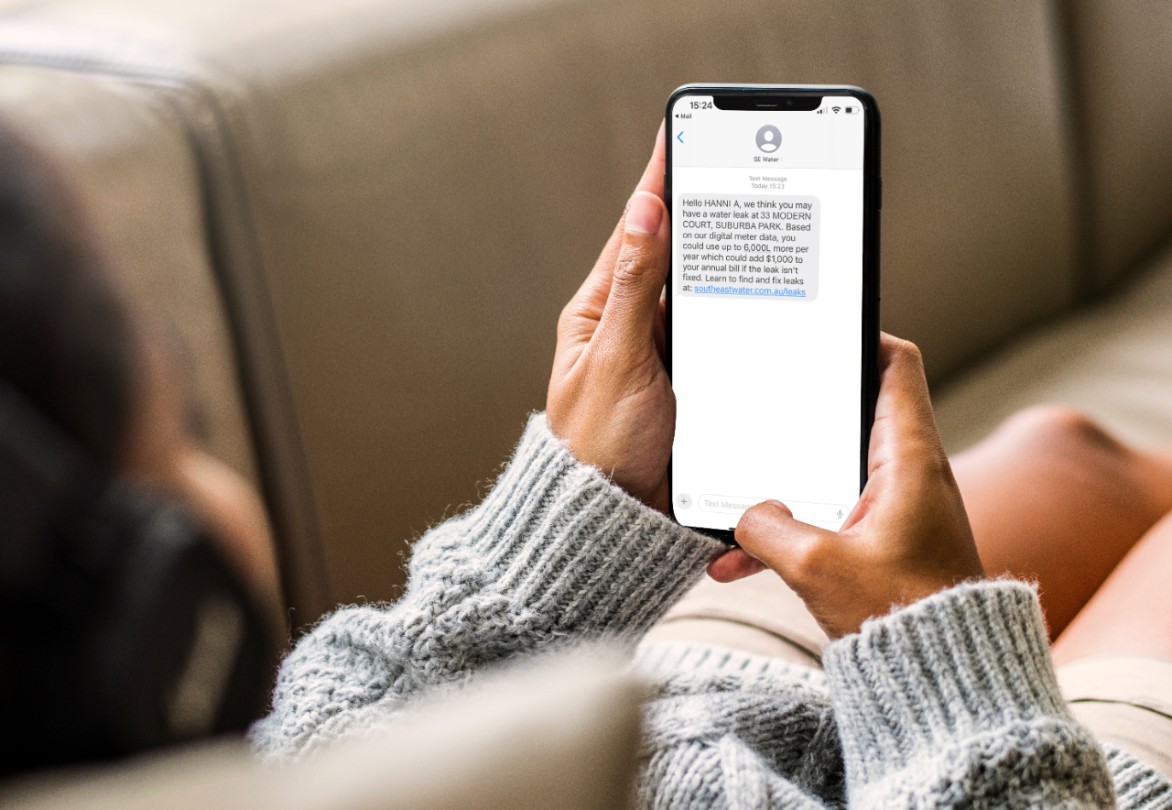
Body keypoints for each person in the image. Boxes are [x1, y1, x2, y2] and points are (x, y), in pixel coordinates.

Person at [2, 118, 1170, 804]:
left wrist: (573, 512)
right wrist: (932, 639)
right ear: (157, 617)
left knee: (1059, 450)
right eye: (187, 421)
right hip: (982, 774)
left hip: (688, 729)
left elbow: (333, 733)